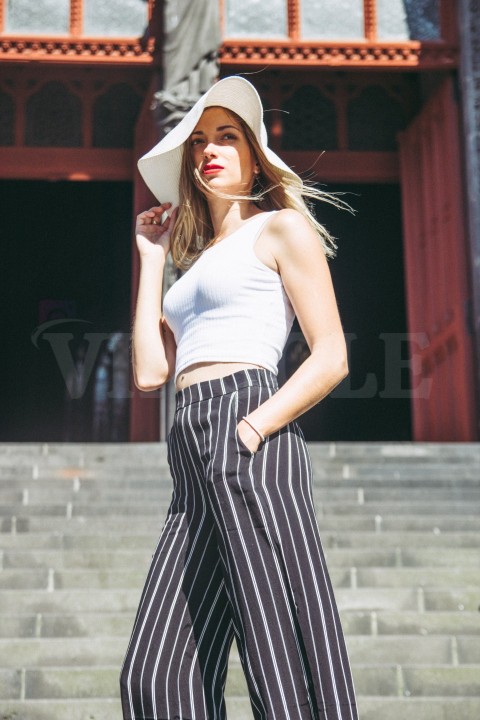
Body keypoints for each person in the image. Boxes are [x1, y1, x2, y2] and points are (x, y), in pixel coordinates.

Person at [120, 76, 358, 720]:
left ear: (253, 153)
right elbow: (148, 372)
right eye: (198, 141)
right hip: (190, 448)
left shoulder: (281, 230)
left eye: (226, 137)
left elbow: (331, 355)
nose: (209, 150)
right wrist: (151, 259)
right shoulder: (191, 265)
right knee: (154, 675)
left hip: (249, 422)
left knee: (280, 653)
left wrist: (252, 429)